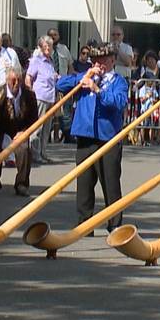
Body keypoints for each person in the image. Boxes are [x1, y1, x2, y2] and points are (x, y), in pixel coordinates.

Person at [56, 43, 129, 232]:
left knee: (111, 183)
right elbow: (60, 84)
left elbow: (119, 103)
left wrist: (98, 90)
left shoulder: (118, 81)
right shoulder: (85, 78)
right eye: (96, 60)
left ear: (112, 60)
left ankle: (114, 225)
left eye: (103, 60)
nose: (99, 64)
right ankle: (84, 224)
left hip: (108, 138)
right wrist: (84, 77)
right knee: (84, 183)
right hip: (85, 136)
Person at [0, 67, 38, 196]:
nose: (15, 84)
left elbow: (34, 119)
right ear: (7, 80)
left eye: (18, 80)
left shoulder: (29, 95)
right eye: (13, 80)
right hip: (0, 127)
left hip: (20, 127)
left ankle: (21, 184)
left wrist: (24, 132)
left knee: (24, 149)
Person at [25, 35, 58, 164]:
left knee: (46, 128)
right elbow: (28, 77)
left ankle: (43, 153)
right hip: (40, 97)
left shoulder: (50, 62)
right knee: (37, 127)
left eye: (50, 46)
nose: (48, 48)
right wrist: (31, 92)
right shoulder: (36, 61)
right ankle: (35, 154)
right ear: (40, 47)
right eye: (45, 46)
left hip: (50, 98)